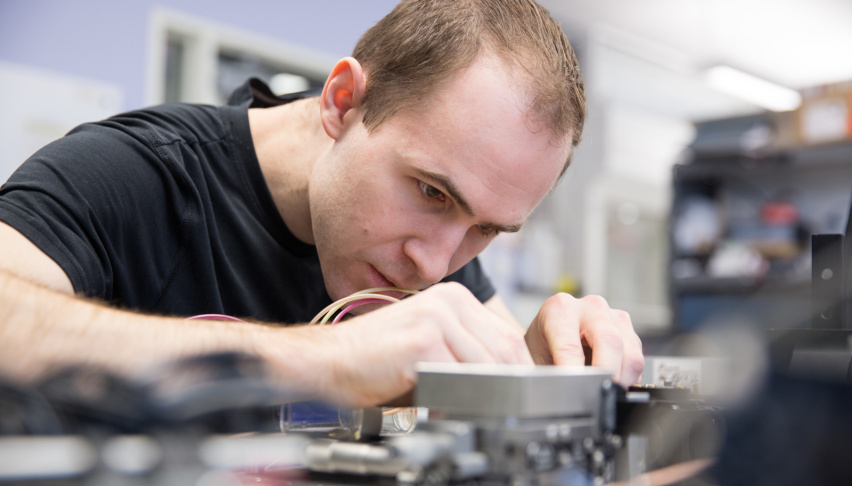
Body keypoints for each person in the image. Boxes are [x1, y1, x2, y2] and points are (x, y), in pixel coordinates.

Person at [0, 0, 644, 408]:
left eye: (486, 230)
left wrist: (539, 369)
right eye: (430, 191)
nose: (436, 263)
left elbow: (486, 394)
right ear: (342, 102)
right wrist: (322, 361)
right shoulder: (132, 174)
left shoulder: (426, 249)